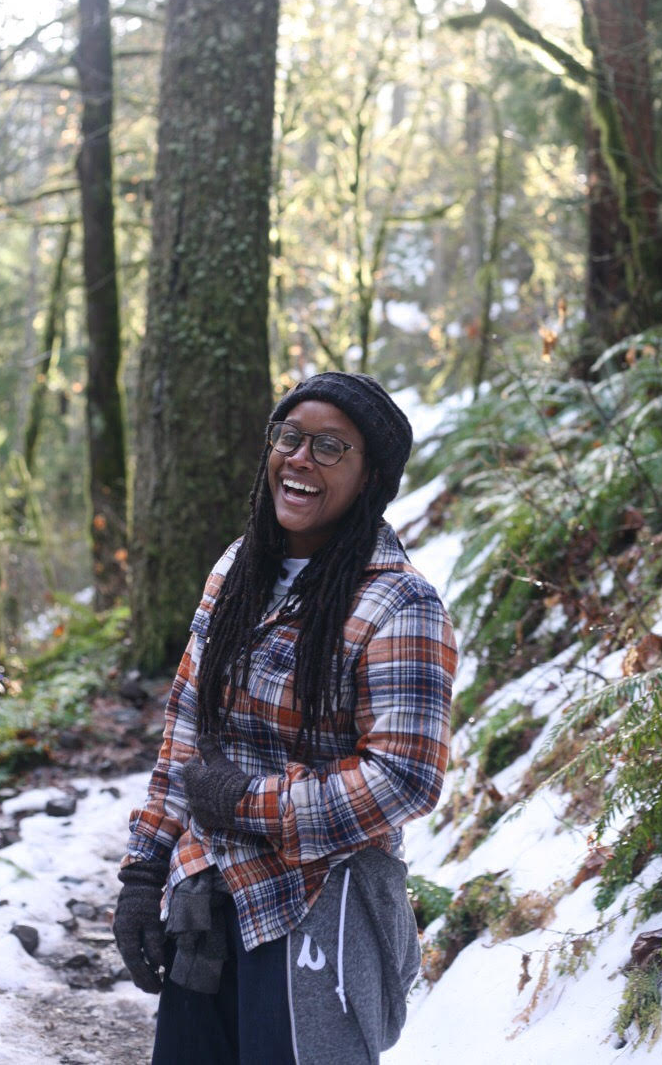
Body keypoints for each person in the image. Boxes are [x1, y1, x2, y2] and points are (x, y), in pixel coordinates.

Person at [114, 372, 457, 1065]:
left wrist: (250, 802)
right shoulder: (237, 570)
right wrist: (143, 873)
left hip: (319, 906)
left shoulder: (399, 605)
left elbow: (404, 778)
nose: (300, 458)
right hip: (205, 898)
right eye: (290, 437)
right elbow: (185, 731)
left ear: (370, 478)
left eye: (330, 447)